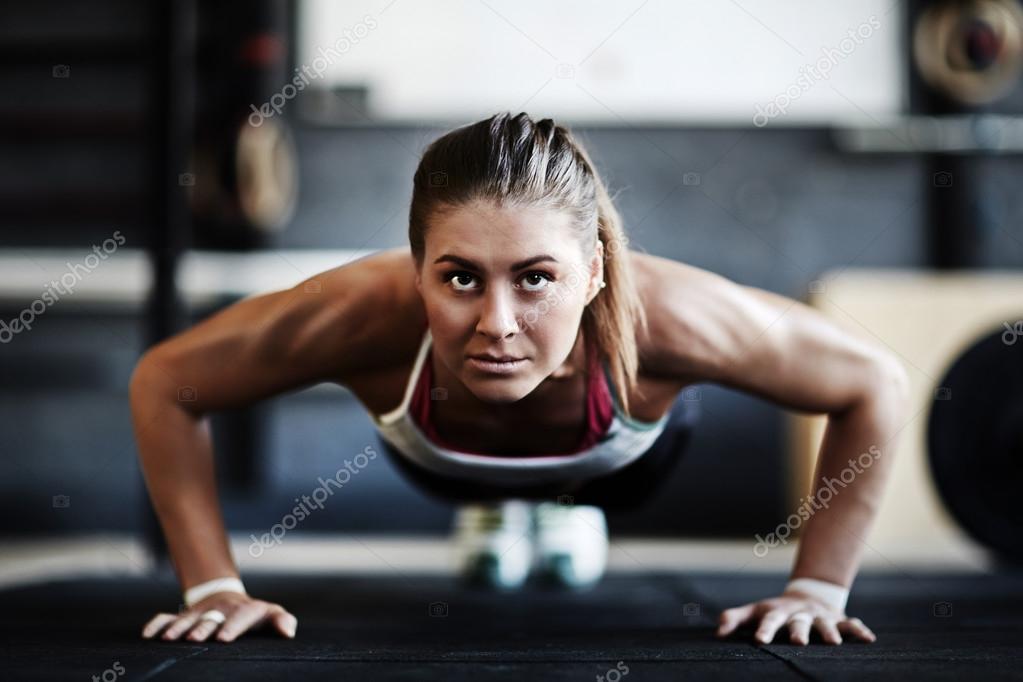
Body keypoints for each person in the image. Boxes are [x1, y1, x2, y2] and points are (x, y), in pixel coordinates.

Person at [132, 112, 908, 646]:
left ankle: (559, 515)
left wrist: (816, 591)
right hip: (443, 468)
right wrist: (212, 589)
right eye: (460, 279)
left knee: (573, 522)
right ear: (415, 272)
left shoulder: (672, 317)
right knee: (490, 526)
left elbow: (873, 384)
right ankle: (499, 510)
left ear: (595, 271)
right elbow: (167, 383)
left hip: (621, 471)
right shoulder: (357, 313)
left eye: (535, 278)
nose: (496, 322)